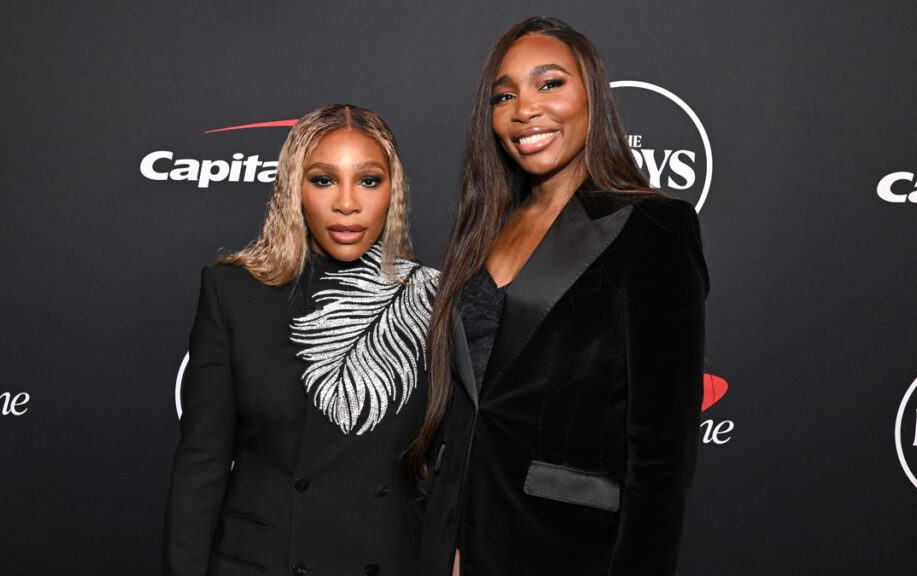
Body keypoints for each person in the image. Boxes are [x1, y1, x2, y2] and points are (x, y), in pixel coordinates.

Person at [411, 17, 709, 576]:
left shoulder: (653, 228)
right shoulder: (486, 228)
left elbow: (661, 452)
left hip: (566, 548)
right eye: (505, 95)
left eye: (550, 84)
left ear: (593, 95)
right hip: (453, 540)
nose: (525, 109)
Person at [164, 104, 438, 576]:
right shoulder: (234, 293)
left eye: (369, 180)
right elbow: (201, 467)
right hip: (264, 562)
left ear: (394, 191)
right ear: (294, 188)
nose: (347, 203)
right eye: (324, 180)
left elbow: (452, 472)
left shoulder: (431, 298)